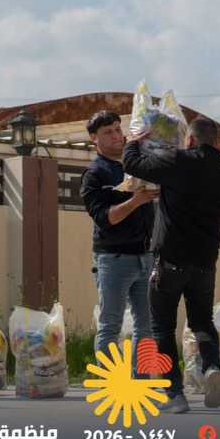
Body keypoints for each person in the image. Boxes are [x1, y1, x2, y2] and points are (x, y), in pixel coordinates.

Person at [122, 117, 220, 413]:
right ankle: (212, 367)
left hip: (170, 260)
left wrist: (133, 141)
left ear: (190, 139)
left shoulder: (178, 161)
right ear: (215, 142)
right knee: (202, 322)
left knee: (162, 327)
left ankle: (174, 395)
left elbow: (132, 164)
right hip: (205, 263)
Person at [80, 110, 159, 376]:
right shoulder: (95, 174)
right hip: (114, 259)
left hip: (145, 256)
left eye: (117, 129)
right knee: (110, 325)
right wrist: (136, 201)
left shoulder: (136, 162)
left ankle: (141, 383)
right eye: (108, 132)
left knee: (146, 325)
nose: (116, 136)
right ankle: (111, 384)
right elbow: (105, 219)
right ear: (94, 139)